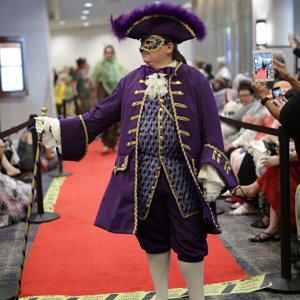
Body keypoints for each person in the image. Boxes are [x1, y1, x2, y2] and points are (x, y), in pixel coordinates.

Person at [35, 3, 238, 299]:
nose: (143, 48)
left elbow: (211, 129)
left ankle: (197, 296)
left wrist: (211, 168)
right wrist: (57, 126)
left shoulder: (196, 80)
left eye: (150, 43)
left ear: (169, 46)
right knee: (152, 240)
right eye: (141, 43)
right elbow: (100, 115)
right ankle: (161, 294)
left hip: (184, 176)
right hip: (142, 178)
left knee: (190, 240)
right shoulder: (130, 81)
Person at [91, 45, 126, 154]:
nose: (109, 54)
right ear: (104, 54)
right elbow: (96, 82)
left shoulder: (117, 65)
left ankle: (114, 143)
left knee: (115, 119)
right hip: (103, 94)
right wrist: (94, 97)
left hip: (115, 94)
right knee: (104, 118)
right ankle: (106, 144)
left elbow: (122, 81)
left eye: (111, 52)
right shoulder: (100, 66)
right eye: (107, 52)